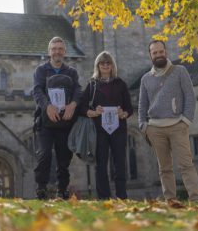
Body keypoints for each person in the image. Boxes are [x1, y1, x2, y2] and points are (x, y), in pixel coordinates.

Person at [138, 40, 198, 206]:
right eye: (155, 53)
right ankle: (171, 200)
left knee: (186, 164)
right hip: (155, 129)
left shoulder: (180, 71)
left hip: (177, 126)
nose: (158, 55)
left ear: (166, 52)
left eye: (161, 52)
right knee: (164, 168)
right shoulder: (145, 78)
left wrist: (186, 120)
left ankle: (195, 199)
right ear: (150, 55)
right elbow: (142, 104)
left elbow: (190, 96)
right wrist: (144, 126)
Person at [32, 36, 82, 200]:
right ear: (49, 52)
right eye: (54, 49)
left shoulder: (72, 72)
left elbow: (77, 91)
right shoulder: (41, 71)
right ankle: (41, 188)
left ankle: (62, 190)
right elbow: (37, 91)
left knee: (64, 159)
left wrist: (73, 105)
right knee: (44, 154)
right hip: (46, 122)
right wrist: (48, 107)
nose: (57, 52)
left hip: (65, 123)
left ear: (64, 52)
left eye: (60, 49)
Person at [80, 51, 133, 199]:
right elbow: (82, 108)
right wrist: (93, 112)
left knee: (120, 164)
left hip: (119, 130)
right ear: (98, 65)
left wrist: (124, 113)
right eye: (102, 63)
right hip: (99, 131)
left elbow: (129, 108)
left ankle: (122, 196)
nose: (105, 65)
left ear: (112, 65)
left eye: (108, 63)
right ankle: (104, 198)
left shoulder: (120, 84)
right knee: (101, 165)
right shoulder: (92, 85)